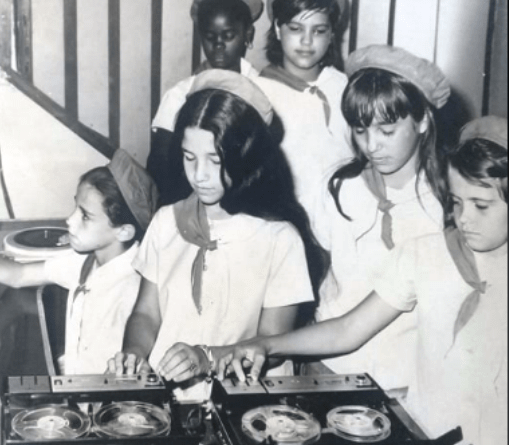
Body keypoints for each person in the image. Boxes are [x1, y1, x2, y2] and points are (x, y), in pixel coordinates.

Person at [214, 116, 508, 445]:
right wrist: (266, 344)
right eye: (456, 202)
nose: (464, 218)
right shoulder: (426, 255)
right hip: (427, 433)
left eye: (481, 206)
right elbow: (348, 329)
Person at [109, 69, 327, 401]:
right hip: (169, 401)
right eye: (189, 157)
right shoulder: (167, 221)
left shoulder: (279, 238)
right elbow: (146, 312)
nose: (199, 175)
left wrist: (205, 357)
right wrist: (135, 352)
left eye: (215, 159)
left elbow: (273, 344)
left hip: (244, 404)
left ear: (246, 155)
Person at [304, 44, 450, 393]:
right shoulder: (338, 187)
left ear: (423, 120)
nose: (371, 145)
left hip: (404, 379)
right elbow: (321, 265)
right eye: (359, 129)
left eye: (387, 131)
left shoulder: (446, 202)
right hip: (328, 368)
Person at [0, 149, 158, 375]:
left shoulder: (135, 289)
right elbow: (20, 275)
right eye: (76, 207)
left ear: (123, 232)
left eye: (85, 216)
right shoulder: (86, 262)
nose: (69, 220)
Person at [147, 0, 264, 206]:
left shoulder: (264, 92)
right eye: (210, 37)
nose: (218, 45)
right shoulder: (178, 96)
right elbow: (160, 169)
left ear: (248, 35)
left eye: (228, 36)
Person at [254, 0, 352, 210]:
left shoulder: (343, 86)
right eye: (296, 29)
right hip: (285, 214)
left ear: (332, 35)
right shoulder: (259, 92)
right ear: (278, 30)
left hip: (341, 212)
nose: (307, 41)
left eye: (318, 31)